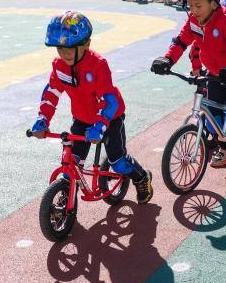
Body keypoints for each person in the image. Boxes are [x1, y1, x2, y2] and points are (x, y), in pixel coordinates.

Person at [31, 11, 154, 204]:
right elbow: (52, 93)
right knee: (74, 161)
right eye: (59, 48)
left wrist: (99, 126)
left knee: (118, 162)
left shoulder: (98, 65)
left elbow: (109, 100)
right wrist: (42, 119)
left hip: (110, 118)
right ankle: (66, 201)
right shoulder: (59, 66)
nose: (65, 53)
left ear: (87, 44)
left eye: (70, 47)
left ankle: (141, 177)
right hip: (81, 119)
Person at [151, 0, 226, 182]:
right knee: (211, 120)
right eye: (190, 5)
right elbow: (180, 42)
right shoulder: (193, 21)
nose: (193, 10)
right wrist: (168, 60)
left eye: (198, 5)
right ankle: (224, 149)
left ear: (214, 3)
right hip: (214, 74)